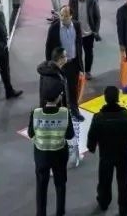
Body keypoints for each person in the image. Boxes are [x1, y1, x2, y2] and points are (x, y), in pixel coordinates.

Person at [88, 86, 127, 216]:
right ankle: (124, 208)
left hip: (106, 155)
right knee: (123, 182)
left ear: (105, 98)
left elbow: (92, 135)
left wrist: (91, 147)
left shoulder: (98, 117)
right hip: (123, 155)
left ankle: (103, 202)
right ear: (118, 98)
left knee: (104, 181)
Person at [28, 83, 75, 216]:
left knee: (41, 186)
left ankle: (41, 213)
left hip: (41, 155)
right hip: (59, 153)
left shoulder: (36, 113)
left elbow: (31, 133)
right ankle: (60, 212)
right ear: (58, 97)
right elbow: (70, 135)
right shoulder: (65, 113)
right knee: (60, 184)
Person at [45, 6, 84, 120]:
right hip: (59, 64)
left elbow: (79, 45)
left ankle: (74, 109)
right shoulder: (54, 27)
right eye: (61, 15)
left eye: (65, 16)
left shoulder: (77, 25)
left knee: (73, 87)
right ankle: (62, 110)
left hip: (73, 62)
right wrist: (50, 65)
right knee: (59, 87)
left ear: (71, 16)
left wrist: (81, 65)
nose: (62, 18)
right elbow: (48, 47)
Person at [70, 0, 101, 79]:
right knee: (77, 54)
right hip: (76, 34)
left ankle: (87, 71)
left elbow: (97, 17)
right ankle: (80, 71)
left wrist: (96, 31)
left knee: (88, 53)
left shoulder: (93, 1)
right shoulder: (72, 1)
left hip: (89, 34)